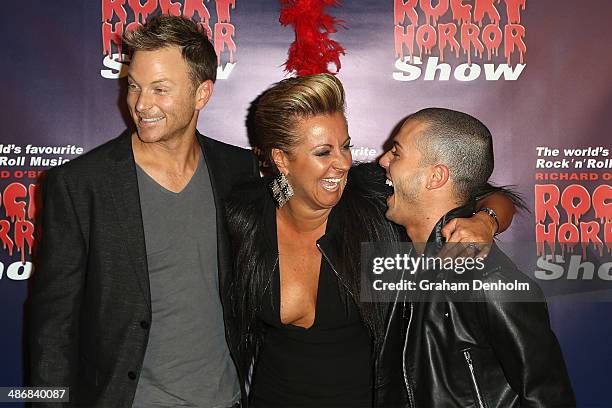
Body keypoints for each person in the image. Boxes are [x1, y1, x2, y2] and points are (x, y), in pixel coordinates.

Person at [226, 75, 517, 407]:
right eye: (324, 152)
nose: (343, 162)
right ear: (281, 159)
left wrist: (486, 221)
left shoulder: (372, 197)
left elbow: (491, 196)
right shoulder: (244, 217)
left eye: (346, 146)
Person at [28, 16, 257, 407]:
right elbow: (52, 329)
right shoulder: (81, 185)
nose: (141, 103)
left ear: (202, 94)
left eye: (160, 89)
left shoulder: (241, 171)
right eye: (133, 86)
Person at [378, 108, 575, 407]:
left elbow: (548, 398)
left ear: (435, 176)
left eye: (396, 152)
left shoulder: (490, 282)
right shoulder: (401, 262)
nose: (382, 160)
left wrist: (489, 218)